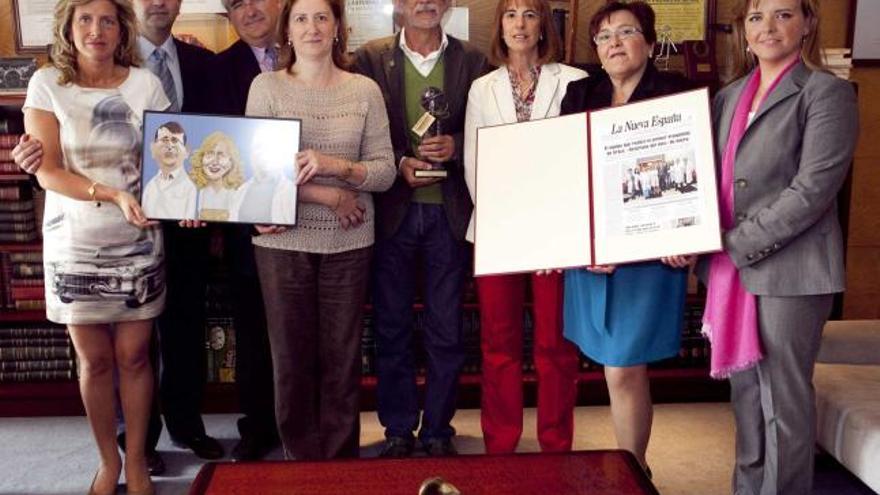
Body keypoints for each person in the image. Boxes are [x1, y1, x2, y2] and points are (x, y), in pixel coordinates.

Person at [696, 1, 858, 493]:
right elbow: (709, 181)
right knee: (746, 393)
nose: (768, 27)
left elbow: (812, 191)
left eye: (783, 15)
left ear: (807, 23)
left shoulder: (826, 94)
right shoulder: (728, 97)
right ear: (743, 31)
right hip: (733, 271)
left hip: (793, 272)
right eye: (755, 17)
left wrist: (730, 243)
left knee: (782, 401)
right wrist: (692, 237)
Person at [22, 1, 168, 493]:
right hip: (73, 241)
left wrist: (188, 196)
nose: (96, 30)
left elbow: (170, 157)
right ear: (67, 26)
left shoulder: (144, 83)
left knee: (135, 358)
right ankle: (108, 462)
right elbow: (47, 170)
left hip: (138, 238)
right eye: (84, 19)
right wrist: (111, 193)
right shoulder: (47, 84)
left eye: (107, 20)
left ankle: (139, 464)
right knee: (95, 361)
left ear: (121, 27)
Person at [245, 0, 395, 460]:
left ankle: (338, 464)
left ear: (337, 27)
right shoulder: (266, 87)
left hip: (349, 241)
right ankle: (300, 464)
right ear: (287, 30)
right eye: (301, 18)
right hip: (281, 241)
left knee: (342, 360)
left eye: (322, 17)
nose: (312, 27)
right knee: (290, 361)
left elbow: (385, 171)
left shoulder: (364, 90)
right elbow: (256, 174)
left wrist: (336, 167)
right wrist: (328, 195)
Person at [558, 1, 694, 473]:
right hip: (592, 254)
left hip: (648, 255)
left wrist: (684, 234)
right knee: (612, 365)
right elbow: (566, 172)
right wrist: (582, 242)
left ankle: (634, 468)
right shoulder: (579, 94)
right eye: (603, 36)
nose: (613, 42)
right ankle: (635, 467)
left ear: (650, 44)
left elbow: (690, 173)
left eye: (626, 32)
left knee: (624, 365)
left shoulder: (676, 94)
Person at [353, 0, 487, 458]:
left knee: (446, 329)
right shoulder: (368, 58)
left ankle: (437, 429)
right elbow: (360, 130)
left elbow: (487, 129)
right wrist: (396, 162)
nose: (424, 2)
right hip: (393, 210)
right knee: (391, 326)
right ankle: (397, 427)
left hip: (449, 213)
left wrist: (458, 145)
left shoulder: (473, 60)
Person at [462, 0, 584, 454]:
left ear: (542, 25)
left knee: (555, 345)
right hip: (498, 229)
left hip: (555, 233)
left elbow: (577, 157)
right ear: (500, 26)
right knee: (498, 344)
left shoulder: (573, 81)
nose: (519, 24)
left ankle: (555, 443)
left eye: (529, 14)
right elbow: (475, 162)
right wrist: (511, 216)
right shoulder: (482, 88)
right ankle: (501, 442)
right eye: (510, 14)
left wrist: (547, 221)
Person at [213, 0, 285, 459]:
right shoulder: (215, 70)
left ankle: (308, 422)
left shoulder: (312, 54)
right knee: (254, 332)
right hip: (246, 227)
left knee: (303, 331)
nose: (250, 9)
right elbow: (213, 150)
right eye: (236, 3)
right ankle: (258, 426)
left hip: (314, 220)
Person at [229, 130, 297, 224]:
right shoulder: (240, 192)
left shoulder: (291, 190)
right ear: (251, 155)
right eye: (258, 147)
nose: (263, 152)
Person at [142, 121, 198, 219]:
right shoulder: (150, 186)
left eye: (175, 140)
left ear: (186, 151)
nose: (170, 146)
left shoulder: (190, 188)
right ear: (153, 148)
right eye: (164, 140)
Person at [189, 131, 246, 221]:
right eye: (209, 154)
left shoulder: (239, 194)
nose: (214, 162)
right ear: (201, 158)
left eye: (221, 155)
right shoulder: (192, 192)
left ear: (231, 161)